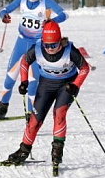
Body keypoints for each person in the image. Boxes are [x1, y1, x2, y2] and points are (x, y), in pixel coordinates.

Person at [0, 0, 68, 121]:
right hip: (21, 42)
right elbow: (5, 9)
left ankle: (31, 114)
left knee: (33, 79)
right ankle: (2, 107)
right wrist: (3, 16)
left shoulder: (46, 2)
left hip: (37, 45)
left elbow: (64, 14)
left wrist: (51, 21)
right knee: (10, 76)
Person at [7, 21, 90, 165]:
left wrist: (76, 85)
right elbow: (24, 62)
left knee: (59, 113)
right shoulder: (37, 48)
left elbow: (85, 68)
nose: (50, 49)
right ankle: (23, 150)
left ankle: (57, 149)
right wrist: (24, 81)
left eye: (54, 45)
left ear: (60, 41)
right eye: (47, 45)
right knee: (34, 120)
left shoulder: (70, 50)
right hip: (46, 85)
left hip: (66, 85)